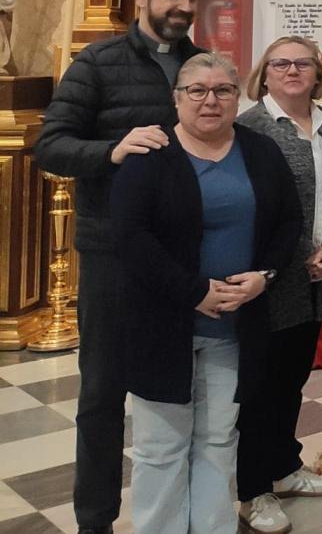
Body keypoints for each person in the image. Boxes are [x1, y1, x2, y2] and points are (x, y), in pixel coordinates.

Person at [35, 0, 205, 534]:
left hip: (181, 254)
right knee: (103, 393)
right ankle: (95, 520)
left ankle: (180, 511)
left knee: (184, 388)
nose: (184, 7)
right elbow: (51, 146)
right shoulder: (98, 63)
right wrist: (111, 150)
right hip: (112, 253)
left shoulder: (199, 65)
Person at [109, 53, 301, 534]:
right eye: (197, 90)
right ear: (177, 99)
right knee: (161, 446)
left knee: (218, 439)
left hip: (235, 325)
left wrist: (265, 276)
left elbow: (287, 222)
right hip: (162, 325)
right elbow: (131, 238)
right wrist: (193, 291)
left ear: (238, 97)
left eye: (222, 90)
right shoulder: (151, 154)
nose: (210, 100)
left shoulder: (259, 151)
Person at [234, 37, 322, 532]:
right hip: (270, 274)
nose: (291, 70)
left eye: (302, 63)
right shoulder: (250, 127)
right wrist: (297, 252)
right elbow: (251, 204)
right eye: (280, 63)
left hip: (317, 274)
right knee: (259, 386)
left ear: (317, 73)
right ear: (264, 74)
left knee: (292, 378)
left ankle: (284, 467)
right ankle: (253, 489)